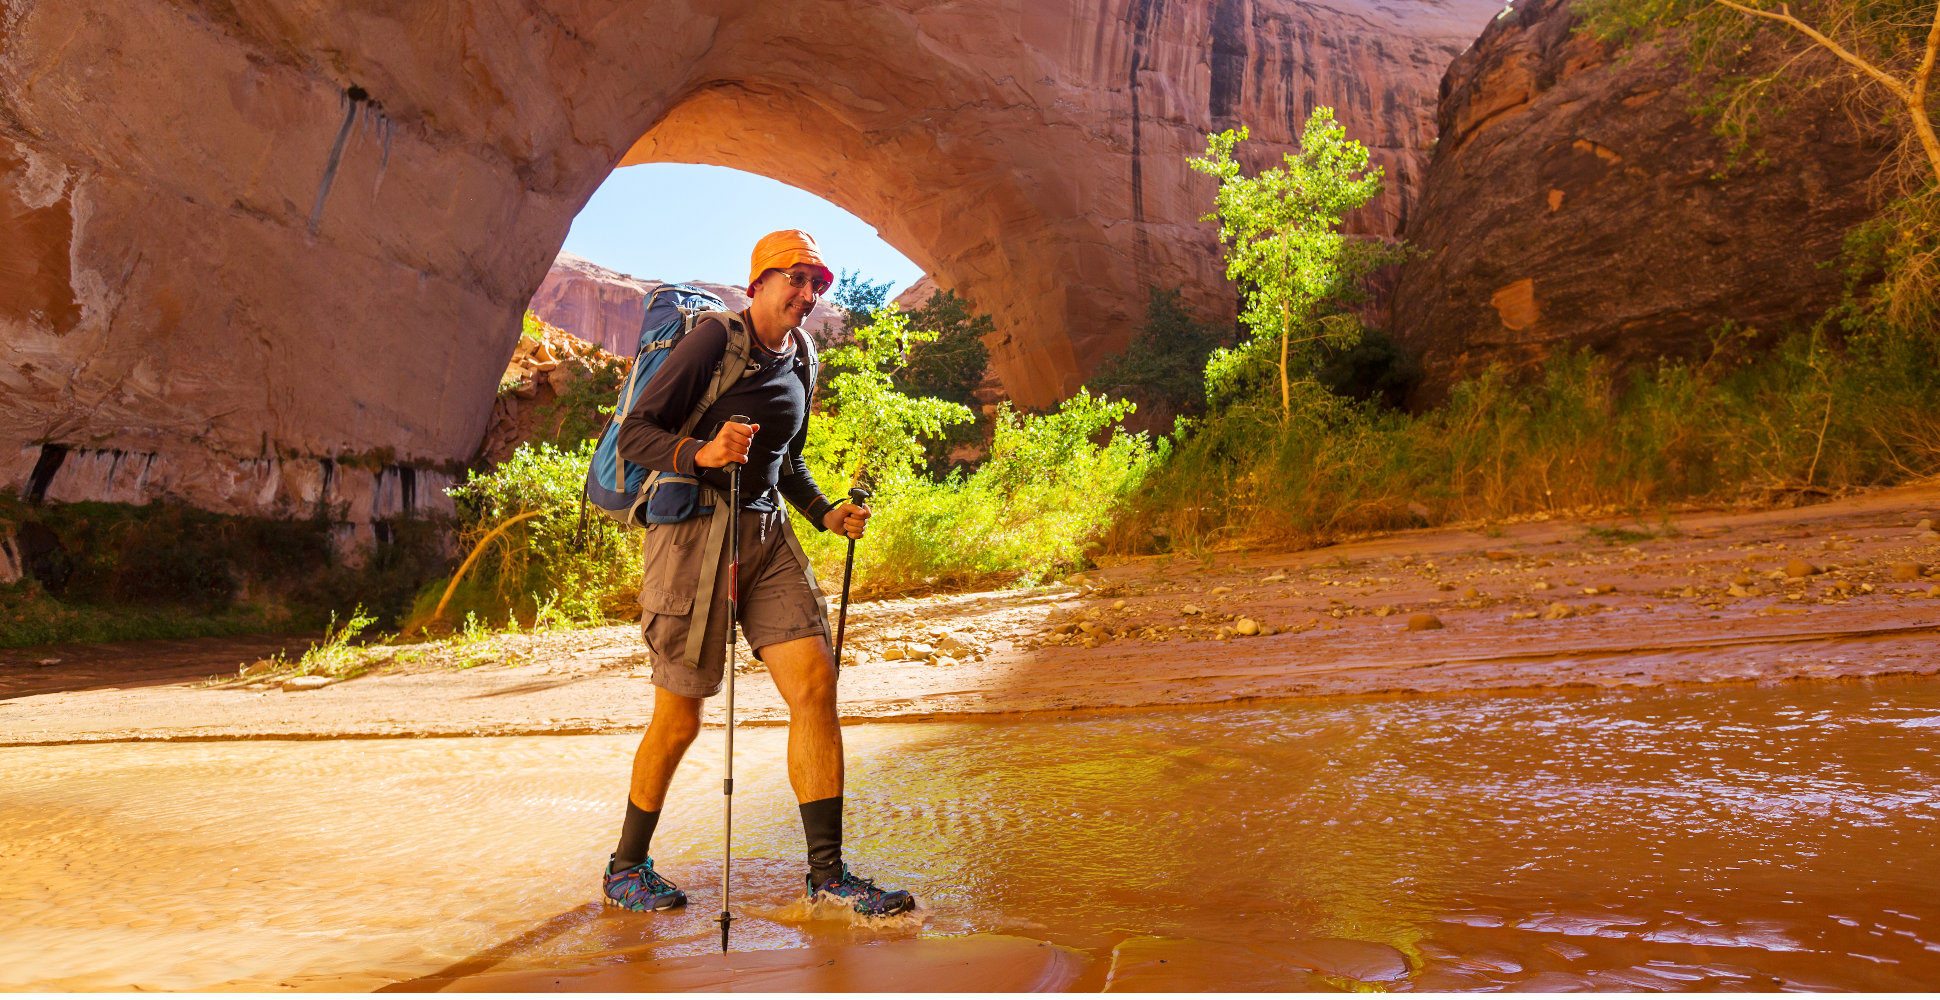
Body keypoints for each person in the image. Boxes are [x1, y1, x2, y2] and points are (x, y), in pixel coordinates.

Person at [600, 229, 916, 918]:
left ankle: (827, 874)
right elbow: (637, 434)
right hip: (692, 538)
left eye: (817, 283)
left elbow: (789, 459)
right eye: (795, 279)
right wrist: (704, 451)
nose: (808, 294)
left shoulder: (802, 355)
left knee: (814, 684)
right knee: (680, 716)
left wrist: (825, 512)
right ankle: (626, 867)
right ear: (761, 281)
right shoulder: (714, 340)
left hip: (769, 534)